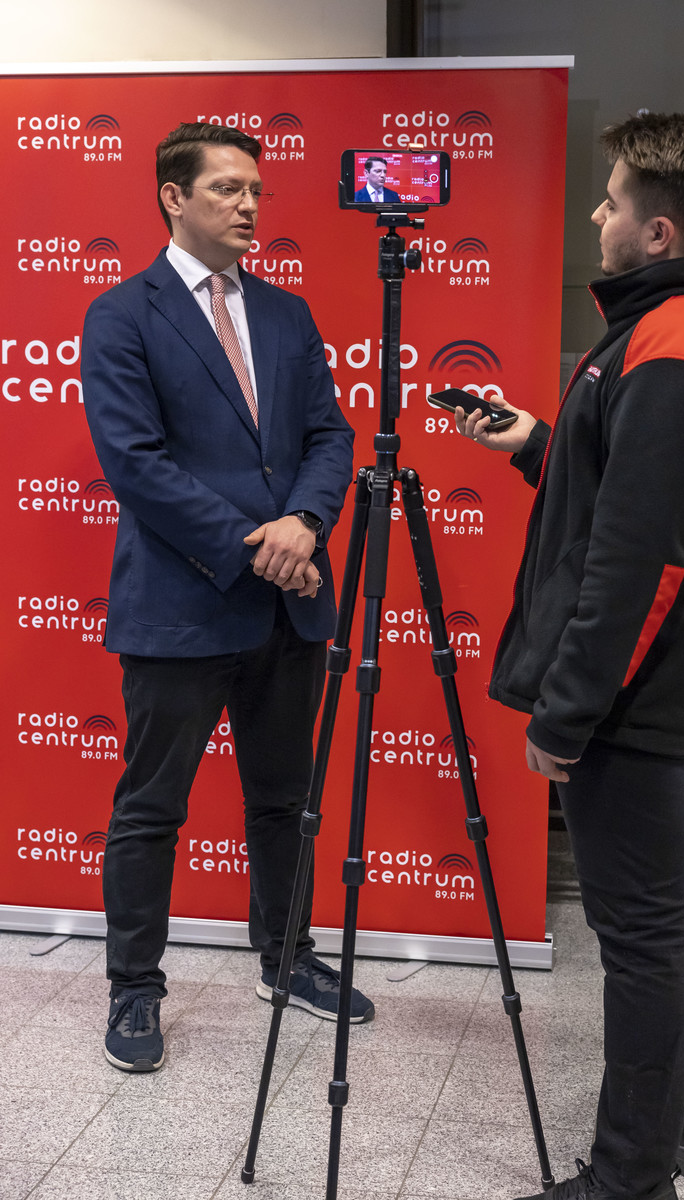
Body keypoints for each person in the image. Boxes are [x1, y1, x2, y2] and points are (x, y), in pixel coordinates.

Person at [454, 112, 684, 1200]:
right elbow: (632, 499)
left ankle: (629, 1177)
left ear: (657, 231)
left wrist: (566, 712)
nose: (597, 212)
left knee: (640, 937)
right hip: (674, 687)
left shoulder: (673, 347)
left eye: (611, 199)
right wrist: (539, 446)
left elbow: (640, 565)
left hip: (633, 698)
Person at [82, 121, 374, 1074]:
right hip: (183, 604)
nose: (250, 205)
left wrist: (306, 523)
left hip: (289, 607)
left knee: (284, 801)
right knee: (151, 808)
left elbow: (330, 437)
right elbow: (136, 464)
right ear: (174, 197)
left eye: (256, 190)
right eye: (227, 188)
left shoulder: (287, 314)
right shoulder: (121, 316)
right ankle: (134, 988)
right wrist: (260, 549)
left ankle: (287, 959)